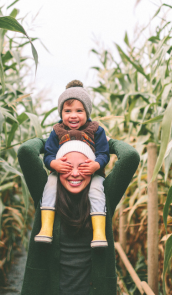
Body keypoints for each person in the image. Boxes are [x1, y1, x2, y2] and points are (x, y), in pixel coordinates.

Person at [17, 136, 140, 295]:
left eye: (83, 167)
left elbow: (130, 156)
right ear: (57, 167)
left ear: (94, 168)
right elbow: (26, 152)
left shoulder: (105, 197)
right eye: (66, 166)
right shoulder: (44, 193)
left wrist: (105, 142)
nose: (75, 173)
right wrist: (53, 139)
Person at [36, 80, 110, 248]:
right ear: (61, 112)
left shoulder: (96, 130)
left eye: (79, 110)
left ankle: (99, 231)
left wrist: (96, 165)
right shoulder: (57, 131)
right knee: (50, 184)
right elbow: (48, 155)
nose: (73, 115)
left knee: (98, 189)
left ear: (87, 112)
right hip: (63, 174)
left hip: (90, 174)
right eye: (67, 111)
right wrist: (54, 164)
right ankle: (46, 227)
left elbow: (104, 154)